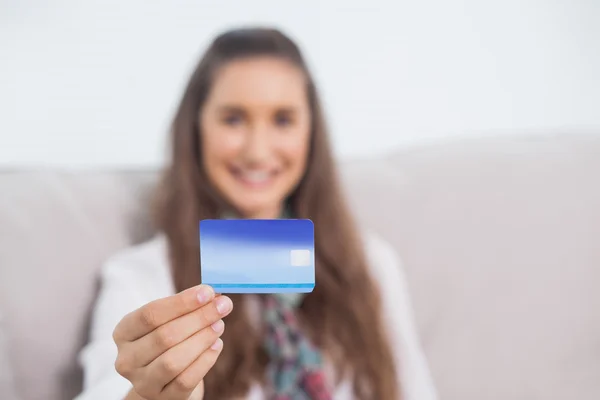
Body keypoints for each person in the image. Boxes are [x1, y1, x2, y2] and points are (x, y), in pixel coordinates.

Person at [75, 27, 437, 400]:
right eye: (233, 119)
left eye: (282, 120)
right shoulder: (142, 277)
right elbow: (106, 389)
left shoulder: (370, 263)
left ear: (311, 133)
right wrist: (146, 395)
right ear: (197, 128)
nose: (258, 151)